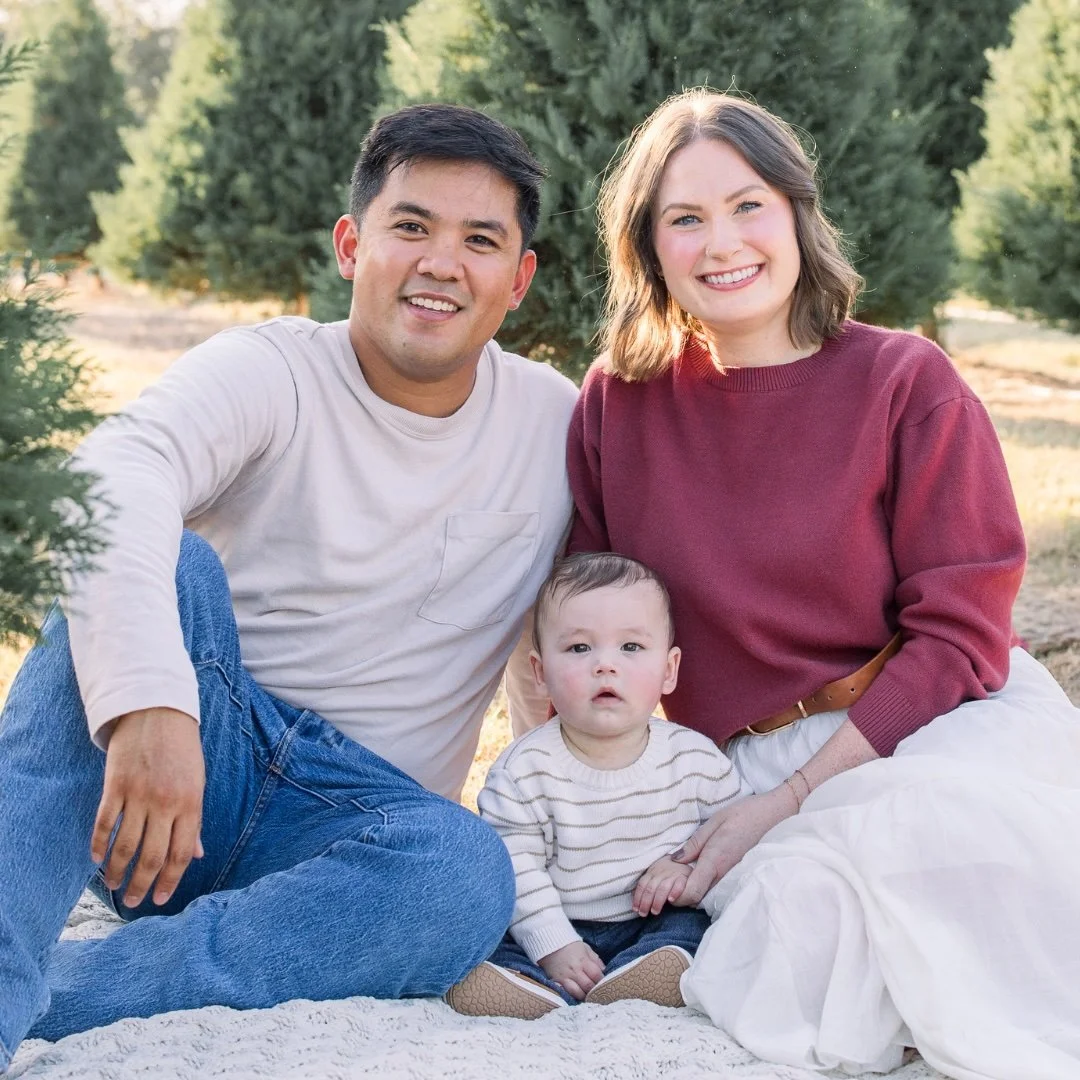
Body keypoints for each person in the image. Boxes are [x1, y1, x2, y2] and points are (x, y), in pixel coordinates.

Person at [0, 103, 579, 1070]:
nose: (442, 262)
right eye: (412, 227)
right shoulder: (271, 370)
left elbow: (565, 639)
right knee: (164, 557)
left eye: (480, 240)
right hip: (184, 778)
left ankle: (62, 991)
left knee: (467, 873)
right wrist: (150, 703)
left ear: (517, 281)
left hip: (359, 831)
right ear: (354, 244)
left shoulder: (555, 425)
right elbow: (110, 475)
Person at [568, 87, 1080, 1078]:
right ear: (650, 245)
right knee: (804, 925)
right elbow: (592, 622)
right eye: (686, 217)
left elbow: (961, 639)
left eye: (748, 203)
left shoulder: (906, 382)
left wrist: (796, 795)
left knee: (926, 858)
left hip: (923, 728)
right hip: (734, 762)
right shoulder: (616, 401)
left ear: (798, 213)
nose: (723, 242)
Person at [445, 553, 748, 1019]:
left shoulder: (694, 759)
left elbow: (733, 837)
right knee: (500, 931)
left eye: (630, 647)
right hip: (558, 919)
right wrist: (554, 945)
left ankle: (648, 975)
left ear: (669, 670)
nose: (605, 666)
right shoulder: (525, 771)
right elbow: (518, 868)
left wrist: (684, 871)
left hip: (653, 919)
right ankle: (525, 984)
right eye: (579, 649)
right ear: (540, 672)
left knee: (690, 929)